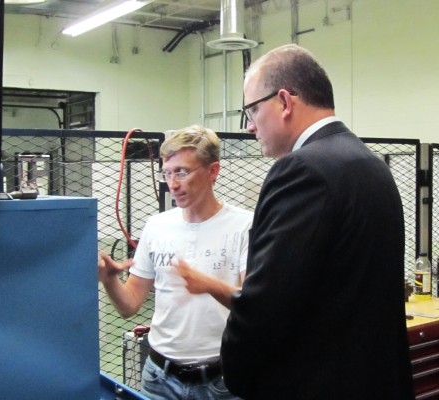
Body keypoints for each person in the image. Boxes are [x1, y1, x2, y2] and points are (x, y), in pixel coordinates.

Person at [220, 44, 414, 399]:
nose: (249, 126)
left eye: (251, 110)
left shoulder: (301, 171)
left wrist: (235, 371)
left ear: (284, 101)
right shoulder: (370, 165)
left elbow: (266, 303)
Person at [98, 125, 253, 400]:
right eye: (167, 173)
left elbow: (251, 306)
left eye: (182, 171)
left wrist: (207, 284)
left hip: (222, 381)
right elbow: (130, 305)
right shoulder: (157, 226)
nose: (173, 183)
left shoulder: (244, 226)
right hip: (159, 379)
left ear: (213, 171)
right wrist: (110, 279)